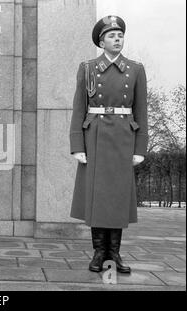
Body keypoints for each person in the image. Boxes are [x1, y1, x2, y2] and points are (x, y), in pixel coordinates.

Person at [69, 16, 148, 274]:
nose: (117, 39)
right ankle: (98, 252)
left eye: (120, 35)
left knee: (116, 197)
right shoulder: (88, 68)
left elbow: (141, 111)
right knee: (97, 196)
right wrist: (77, 145)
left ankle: (114, 253)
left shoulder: (135, 69)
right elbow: (79, 108)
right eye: (112, 36)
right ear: (101, 41)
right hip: (95, 136)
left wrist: (139, 148)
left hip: (124, 137)